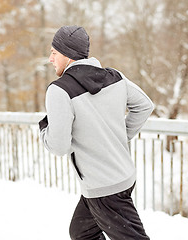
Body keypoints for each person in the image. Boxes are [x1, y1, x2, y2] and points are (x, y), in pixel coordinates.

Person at [39, 25, 154, 240]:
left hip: (104, 188)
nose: (50, 59)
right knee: (82, 233)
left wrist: (44, 129)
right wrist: (119, 138)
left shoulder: (59, 90)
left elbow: (59, 146)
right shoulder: (115, 77)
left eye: (54, 53)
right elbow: (144, 105)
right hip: (122, 176)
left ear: (68, 54)